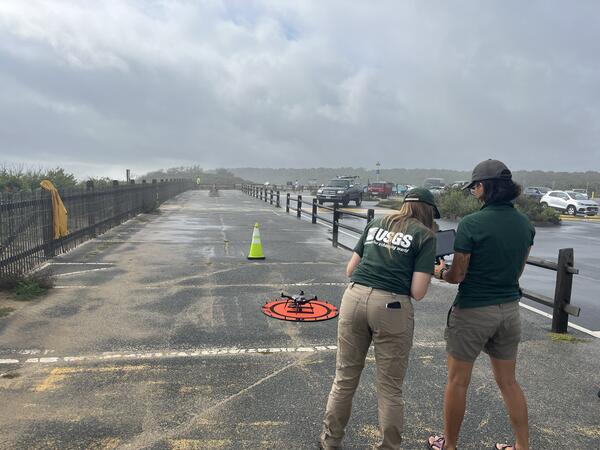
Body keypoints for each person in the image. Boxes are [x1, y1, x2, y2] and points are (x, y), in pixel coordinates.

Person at [427, 159, 535, 450]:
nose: (473, 191)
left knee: (458, 381)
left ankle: (449, 445)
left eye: (475, 186)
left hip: (473, 310)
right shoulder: (525, 224)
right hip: (510, 310)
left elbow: (458, 274)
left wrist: (439, 272)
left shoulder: (472, 224)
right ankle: (522, 446)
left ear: (485, 187)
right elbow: (519, 270)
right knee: (509, 382)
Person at [321, 188, 439, 449]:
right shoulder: (425, 236)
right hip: (391, 306)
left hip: (354, 297)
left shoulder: (376, 223)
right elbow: (418, 292)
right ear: (429, 211)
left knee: (344, 378)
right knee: (389, 387)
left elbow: (351, 269)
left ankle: (329, 442)